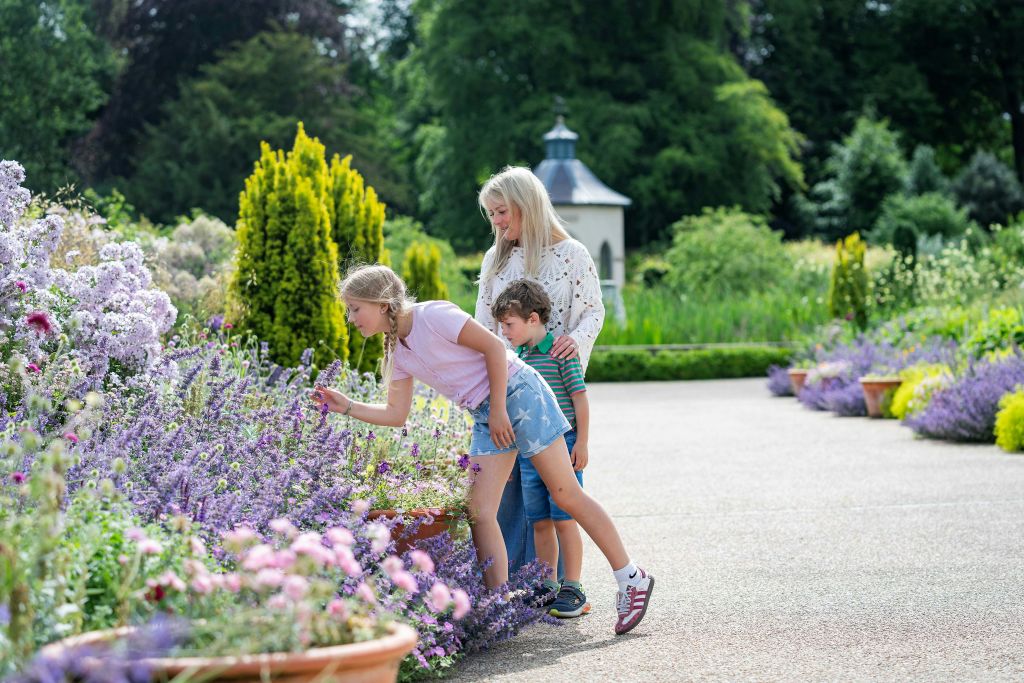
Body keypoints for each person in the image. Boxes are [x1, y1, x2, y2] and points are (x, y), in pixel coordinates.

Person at [313, 264, 653, 635]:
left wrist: (499, 410)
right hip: (485, 412)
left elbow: (494, 346)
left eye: (354, 308)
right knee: (479, 510)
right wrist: (345, 406)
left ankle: (631, 577)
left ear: (380, 304)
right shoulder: (398, 351)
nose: (350, 318)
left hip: (517, 393)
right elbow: (396, 414)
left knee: (565, 493)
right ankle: (498, 607)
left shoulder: (433, 315)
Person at [474, 166, 605, 575]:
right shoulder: (495, 259)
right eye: (491, 214)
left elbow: (593, 312)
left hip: (554, 390)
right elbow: (482, 325)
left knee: (557, 492)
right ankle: (514, 583)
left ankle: (564, 583)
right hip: (504, 389)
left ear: (526, 206)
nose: (496, 222)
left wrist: (576, 341)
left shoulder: (573, 255)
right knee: (509, 487)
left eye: (501, 212)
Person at [492, 279, 591, 618]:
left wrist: (583, 441)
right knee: (540, 521)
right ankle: (545, 584)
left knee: (565, 516)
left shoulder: (561, 353)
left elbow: (580, 398)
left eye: (509, 324)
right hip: (529, 451)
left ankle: (573, 585)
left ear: (532, 319)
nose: (504, 332)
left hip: (562, 445)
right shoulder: (515, 359)